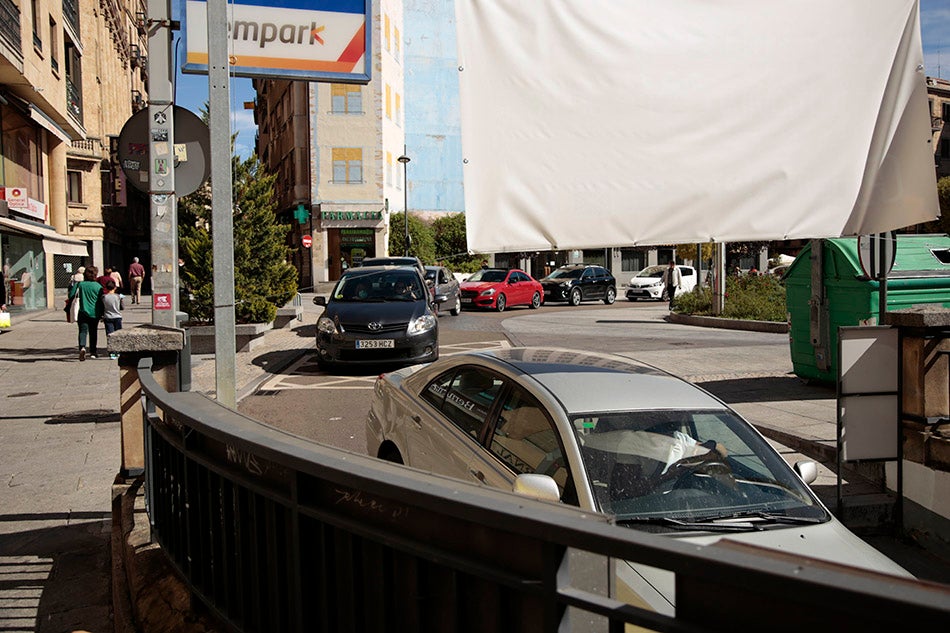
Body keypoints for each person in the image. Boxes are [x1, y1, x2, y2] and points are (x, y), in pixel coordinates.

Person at [68, 266, 104, 361]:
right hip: (95, 313)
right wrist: (102, 313)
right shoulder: (98, 286)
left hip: (82, 312)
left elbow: (71, 295)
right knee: (93, 332)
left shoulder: (80, 285)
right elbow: (101, 301)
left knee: (82, 331)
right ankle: (93, 352)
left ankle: (82, 347)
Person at [102, 280, 123, 358]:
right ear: (115, 287)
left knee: (110, 334)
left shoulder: (104, 297)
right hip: (117, 316)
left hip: (108, 317)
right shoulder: (118, 296)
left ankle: (112, 352)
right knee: (118, 334)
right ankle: (118, 350)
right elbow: (122, 307)